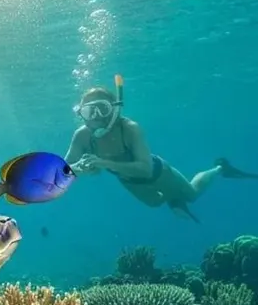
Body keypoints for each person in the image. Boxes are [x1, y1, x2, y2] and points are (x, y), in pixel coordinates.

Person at [64, 80, 255, 221]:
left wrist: (104, 163)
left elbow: (145, 168)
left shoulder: (130, 128)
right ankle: (173, 199)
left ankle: (220, 168)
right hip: (129, 181)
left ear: (114, 109)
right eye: (89, 111)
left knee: (192, 195)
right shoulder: (82, 136)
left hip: (158, 172)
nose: (96, 117)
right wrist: (81, 169)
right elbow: (65, 169)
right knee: (155, 203)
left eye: (102, 109)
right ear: (81, 113)